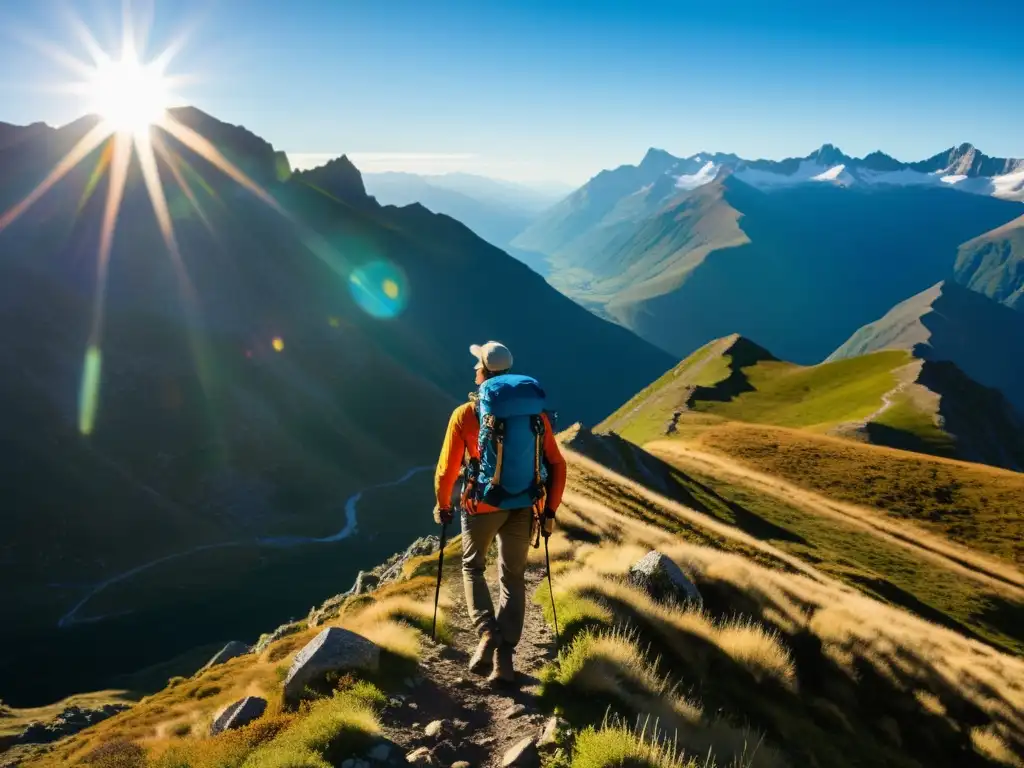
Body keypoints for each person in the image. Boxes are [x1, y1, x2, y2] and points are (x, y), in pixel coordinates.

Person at [433, 341, 566, 684]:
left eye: (476, 365)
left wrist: (443, 504)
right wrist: (549, 510)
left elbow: (447, 469)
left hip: (481, 505)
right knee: (513, 577)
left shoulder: (465, 414)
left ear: (482, 372)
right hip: (524, 503)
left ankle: (486, 632)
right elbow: (557, 463)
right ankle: (504, 662)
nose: (474, 370)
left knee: (473, 567)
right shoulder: (533, 415)